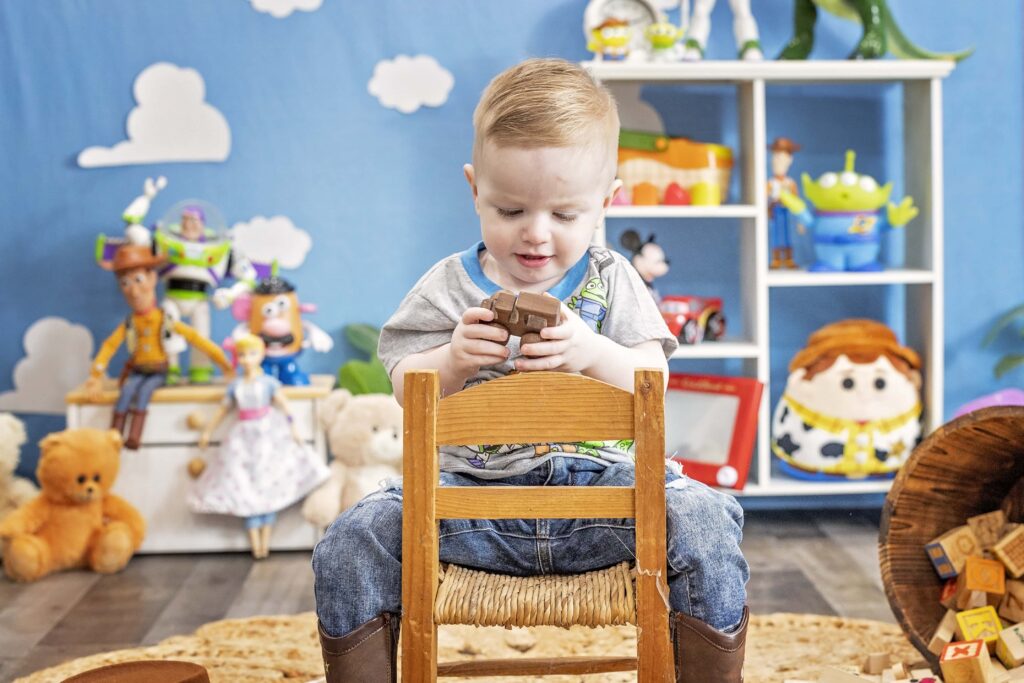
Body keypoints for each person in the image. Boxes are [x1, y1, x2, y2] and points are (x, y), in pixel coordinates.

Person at [311, 58, 749, 683]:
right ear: (474, 190)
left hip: (609, 504)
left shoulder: (612, 279)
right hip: (467, 510)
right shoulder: (446, 287)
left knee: (706, 517)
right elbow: (405, 388)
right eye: (511, 210)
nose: (536, 235)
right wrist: (453, 358)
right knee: (355, 536)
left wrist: (592, 353)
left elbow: (653, 379)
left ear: (605, 202)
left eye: (565, 215)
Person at [187, 333, 329, 559]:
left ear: (261, 355)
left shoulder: (268, 384)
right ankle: (257, 545)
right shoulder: (235, 386)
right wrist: (207, 431)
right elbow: (223, 411)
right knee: (244, 482)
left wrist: (294, 428)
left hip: (267, 434)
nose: (246, 359)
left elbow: (285, 406)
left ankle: (265, 541)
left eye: (251, 354)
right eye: (241, 355)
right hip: (242, 436)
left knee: (268, 481)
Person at [85, 245, 234, 449]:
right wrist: (95, 375)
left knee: (144, 393)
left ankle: (134, 436)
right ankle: (114, 435)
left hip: (158, 371)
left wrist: (223, 362)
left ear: (152, 279)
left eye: (138, 280)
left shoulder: (164, 319)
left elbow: (196, 339)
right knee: (127, 391)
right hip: (138, 370)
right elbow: (110, 345)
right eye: (125, 283)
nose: (134, 290)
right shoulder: (130, 323)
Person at [767, 136, 801, 269]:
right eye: (775, 158)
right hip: (775, 211)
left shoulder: (790, 183)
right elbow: (764, 196)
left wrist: (800, 220)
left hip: (786, 211)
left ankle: (788, 258)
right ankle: (776, 259)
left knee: (787, 235)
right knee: (776, 235)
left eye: (781, 159)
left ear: (789, 161)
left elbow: (797, 200)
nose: (777, 162)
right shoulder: (770, 182)